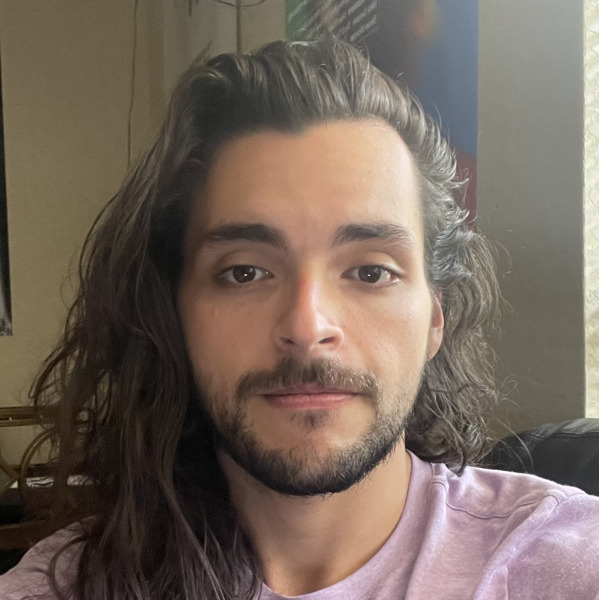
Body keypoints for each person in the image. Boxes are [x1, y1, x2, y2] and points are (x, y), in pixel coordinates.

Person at [1, 38, 597, 600]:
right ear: (173, 310)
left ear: (435, 316)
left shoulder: (558, 562)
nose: (308, 327)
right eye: (244, 272)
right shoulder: (63, 584)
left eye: (370, 272)